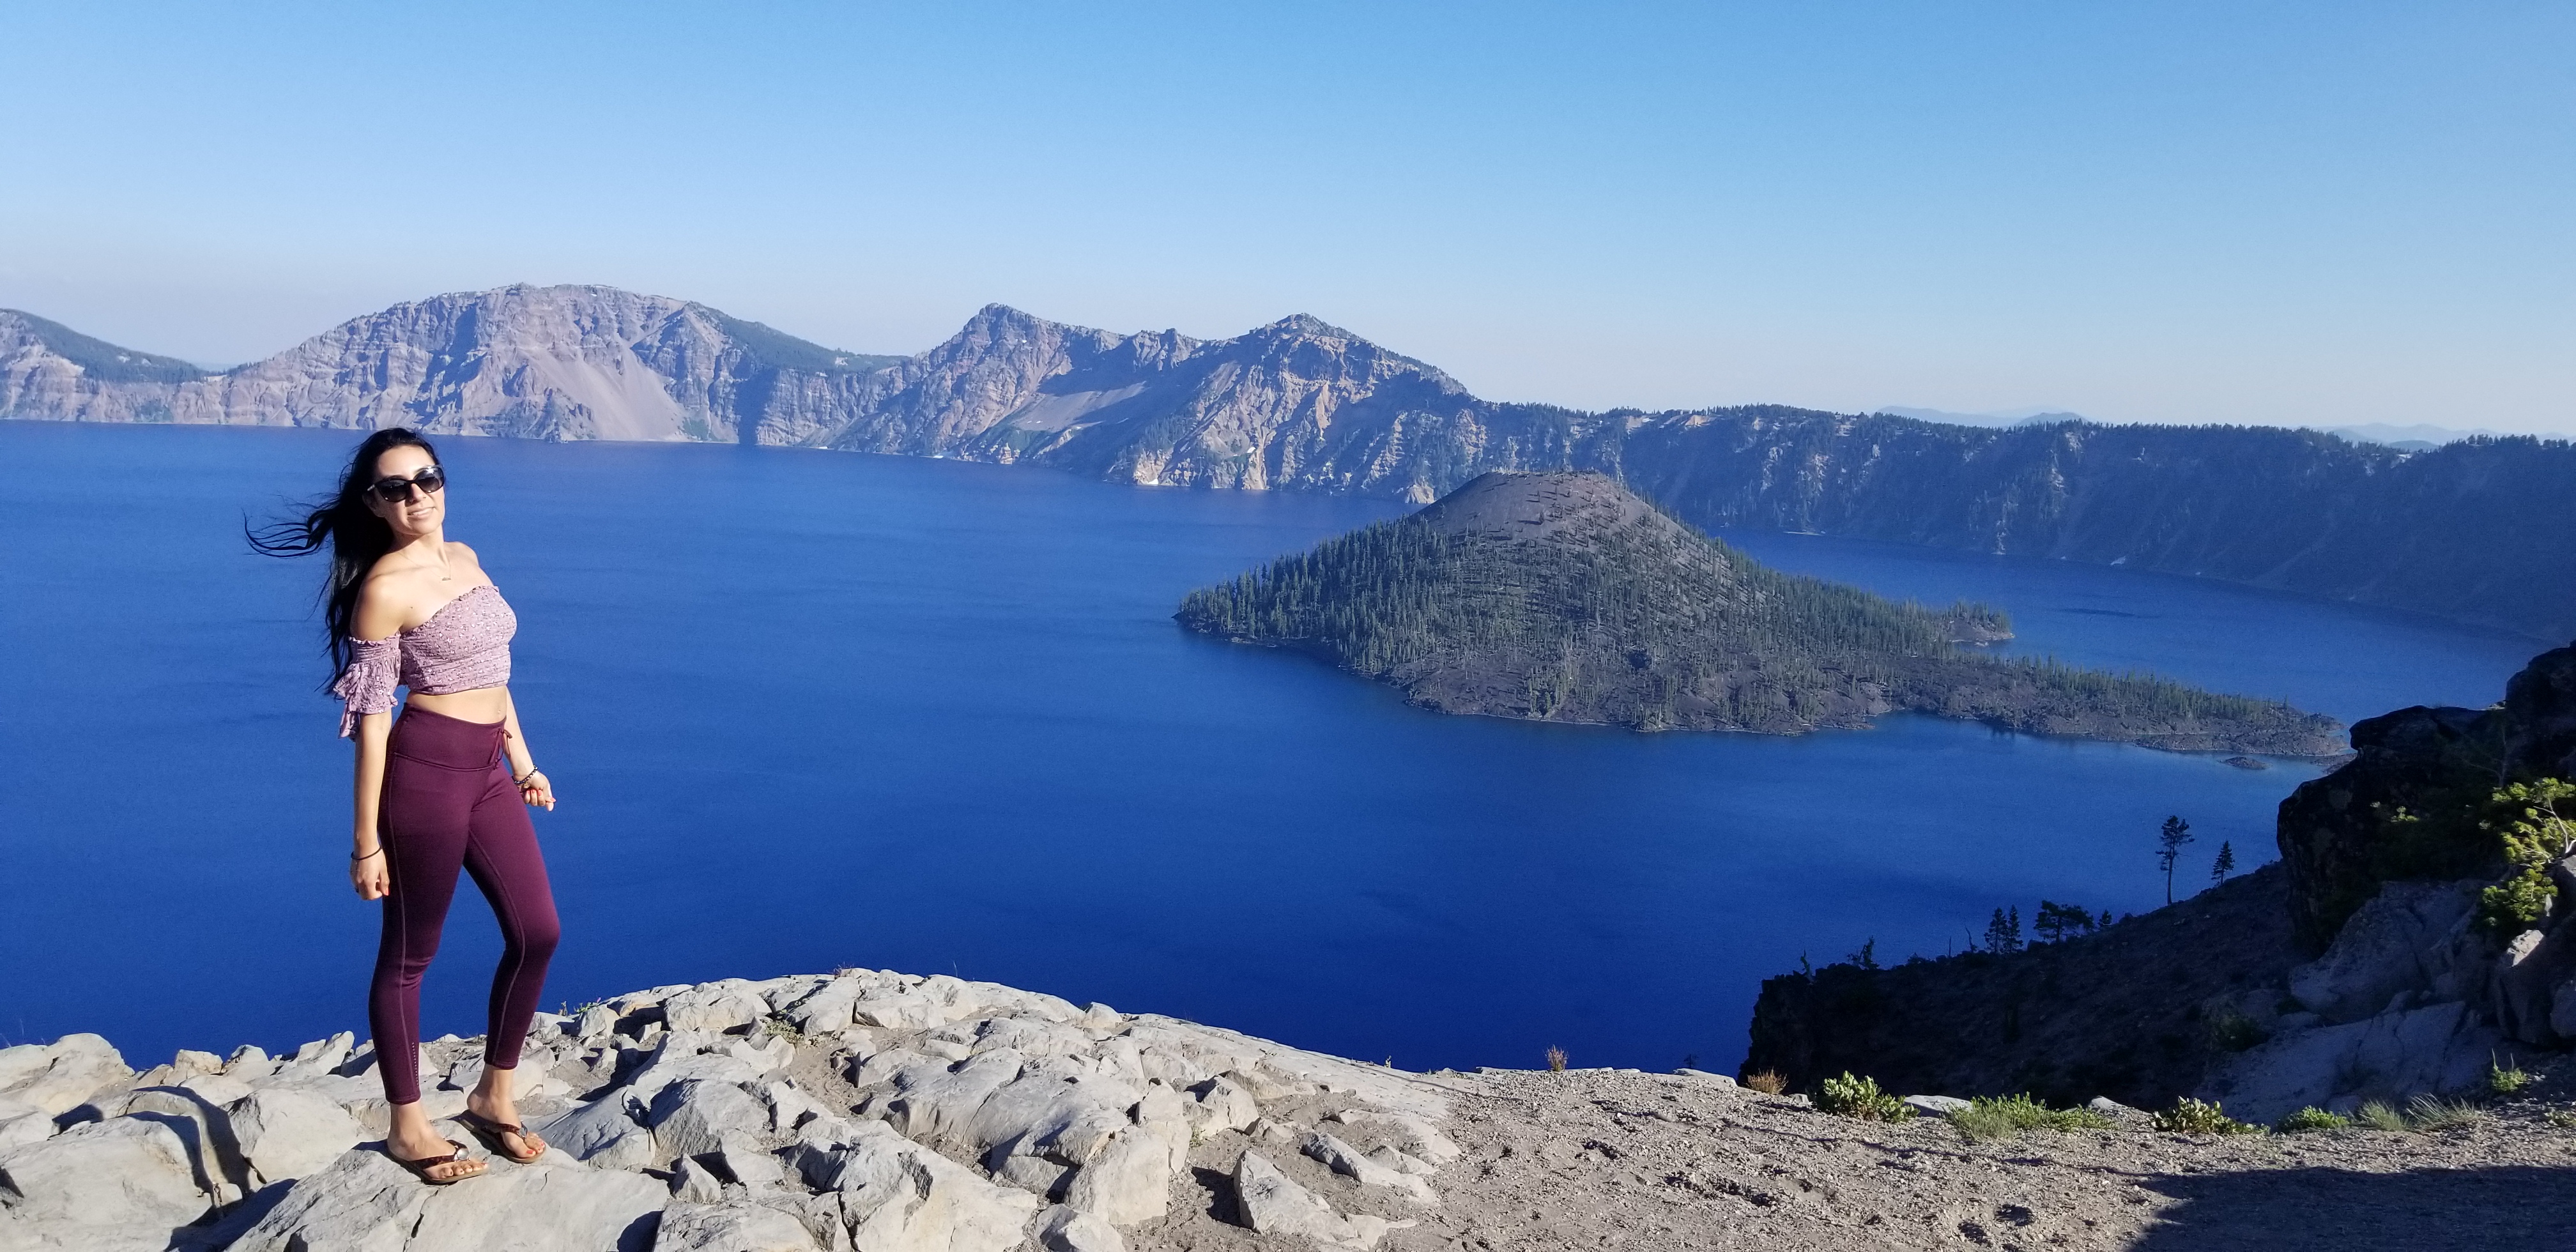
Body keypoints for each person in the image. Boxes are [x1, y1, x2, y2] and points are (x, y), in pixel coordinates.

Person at [252, 428, 560, 1184]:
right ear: (375, 503)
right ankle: (408, 1126)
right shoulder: (384, 590)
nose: (417, 495)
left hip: (489, 768)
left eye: (428, 478)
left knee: (540, 932)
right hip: (424, 775)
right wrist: (365, 841)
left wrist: (524, 763)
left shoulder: (468, 559)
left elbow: (495, 673)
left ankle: (494, 1094)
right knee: (410, 956)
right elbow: (375, 722)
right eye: (398, 487)